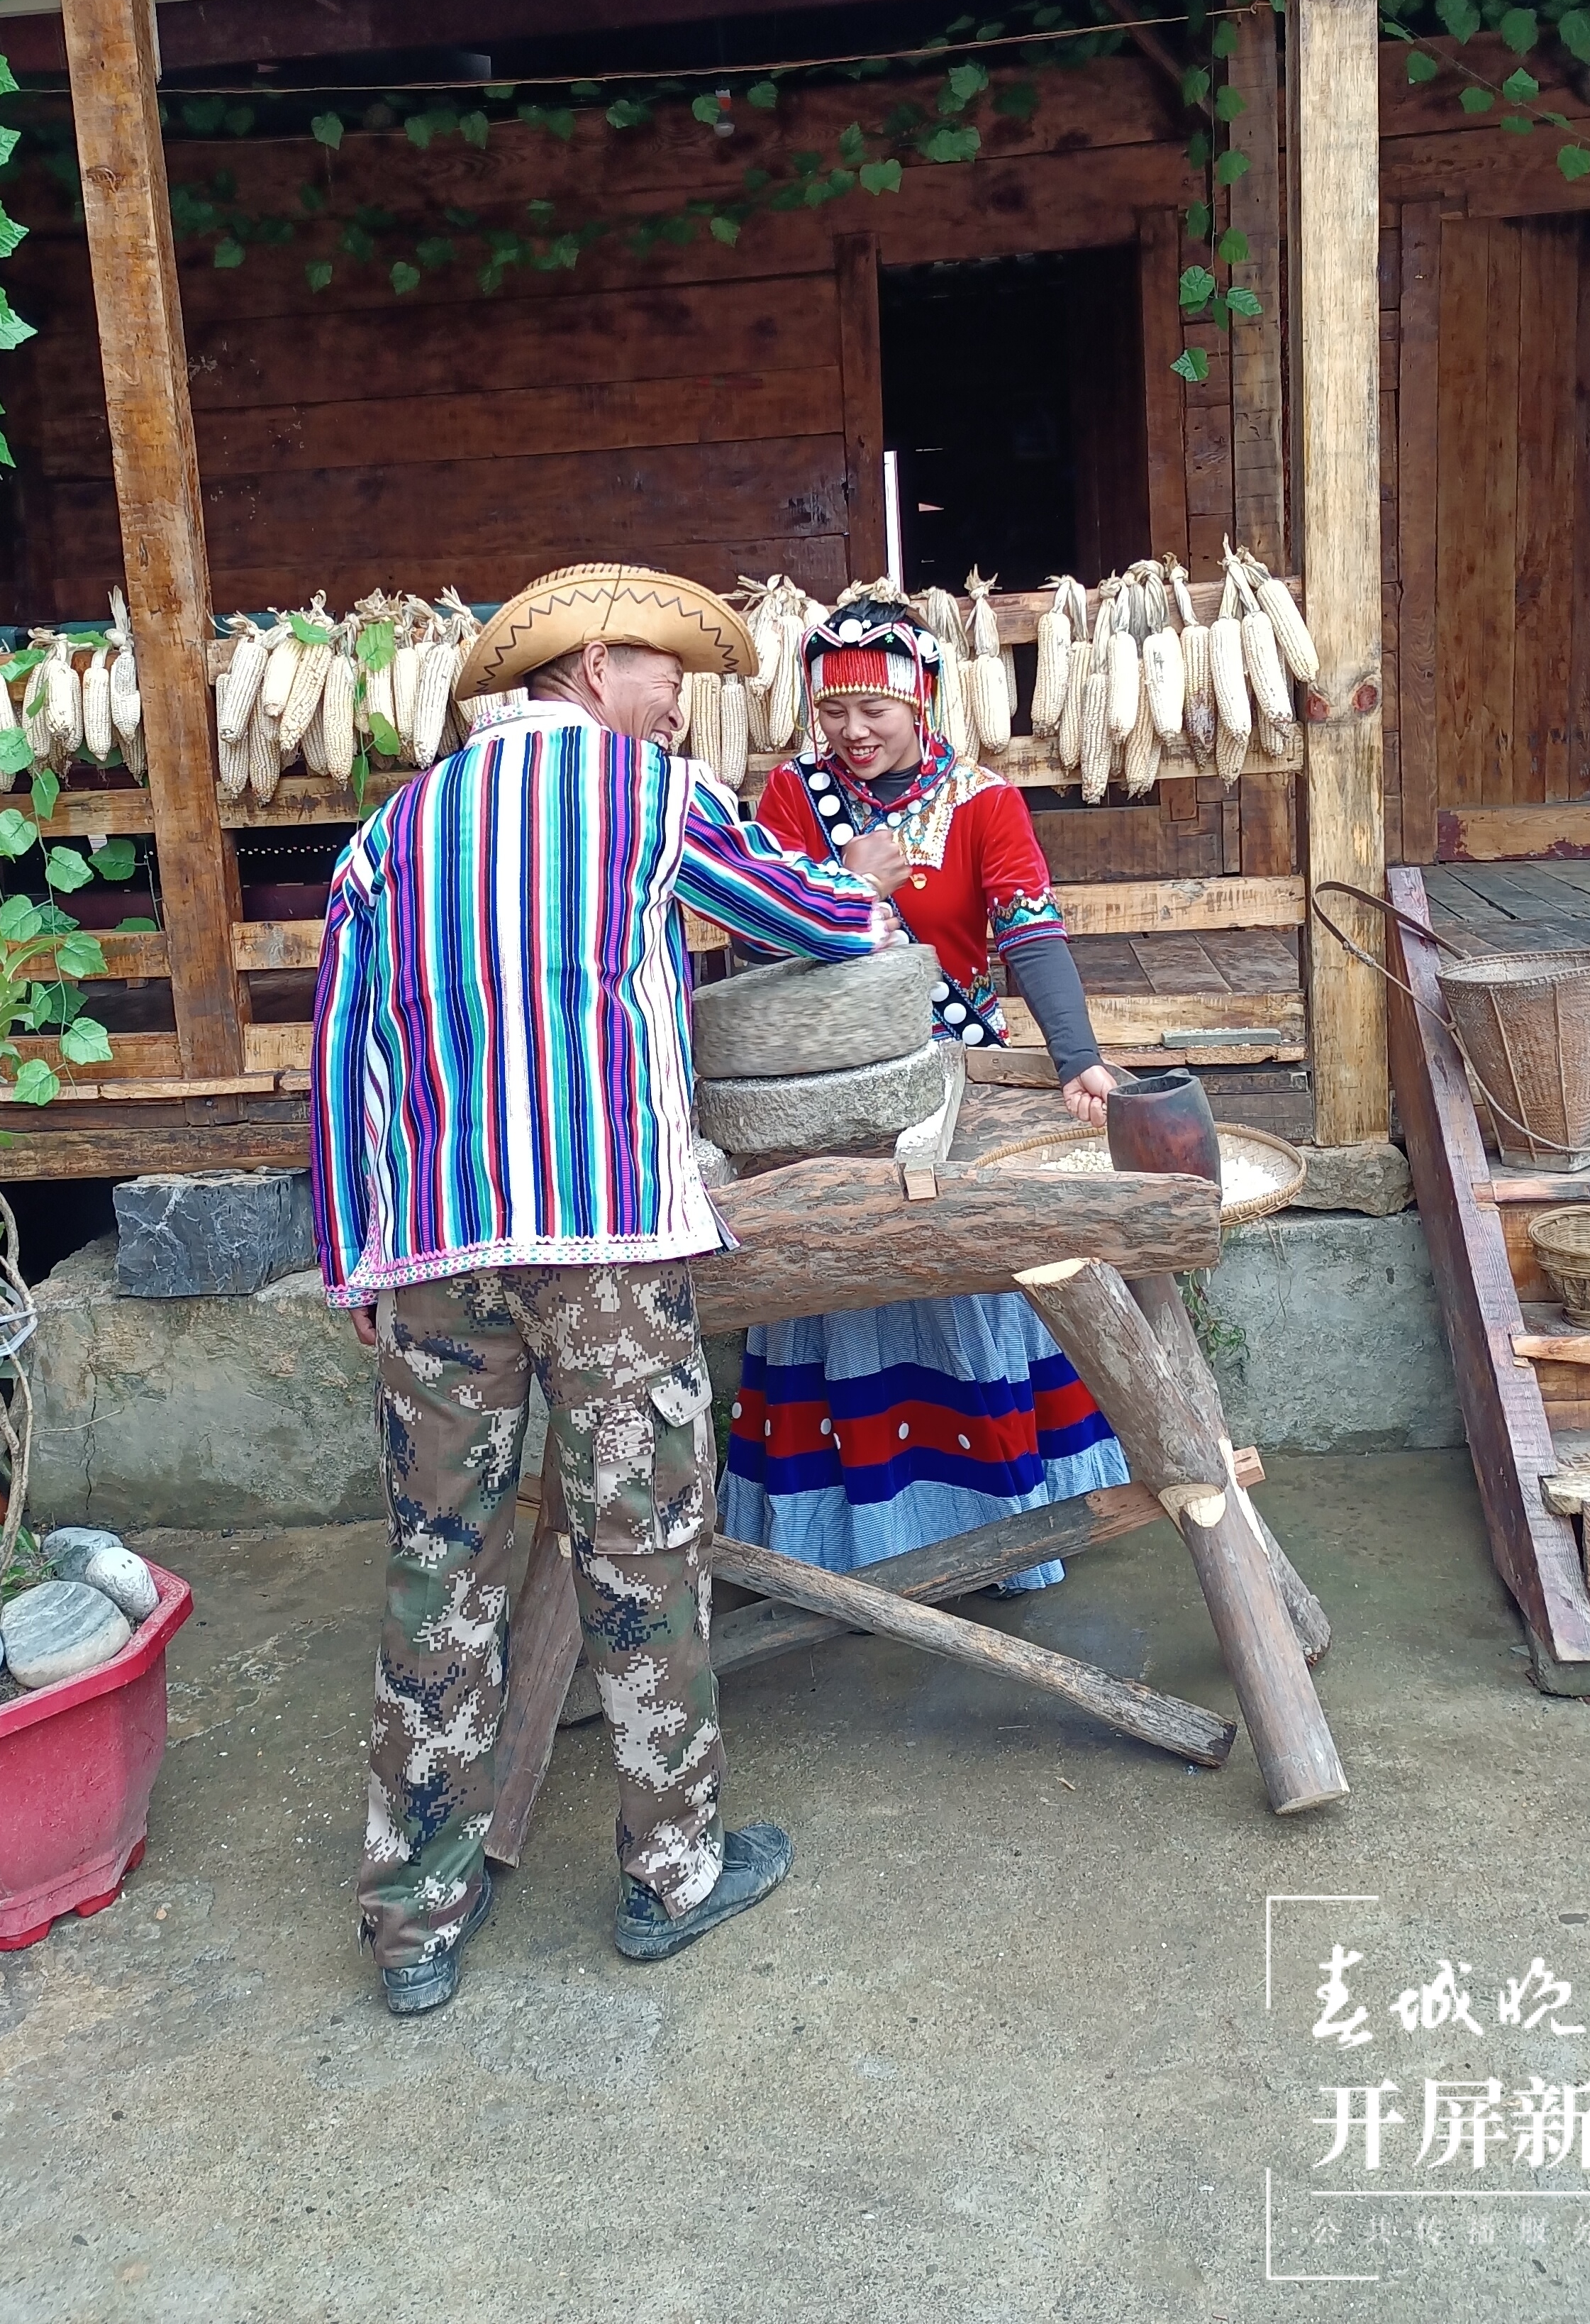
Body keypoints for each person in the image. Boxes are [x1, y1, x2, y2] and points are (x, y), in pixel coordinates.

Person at [310, 561, 909, 2018]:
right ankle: (672, 1875)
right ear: (593, 671)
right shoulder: (649, 794)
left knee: (439, 1560)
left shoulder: (389, 832)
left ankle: (415, 1916)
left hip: (436, 1253)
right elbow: (814, 917)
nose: (679, 703)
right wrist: (875, 884)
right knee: (642, 1547)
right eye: (664, 675)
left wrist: (351, 1255)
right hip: (608, 1243)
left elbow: (340, 1058)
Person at [720, 593, 1130, 1589]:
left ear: (922, 702)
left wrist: (1076, 1057)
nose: (852, 732)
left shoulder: (984, 801)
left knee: (956, 1273)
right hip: (826, 1089)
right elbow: (758, 943)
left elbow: (1031, 933)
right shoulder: (791, 797)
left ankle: (994, 1535)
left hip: (951, 1080)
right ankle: (850, 1546)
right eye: (833, 711)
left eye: (875, 710)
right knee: (838, 1281)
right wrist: (848, 883)